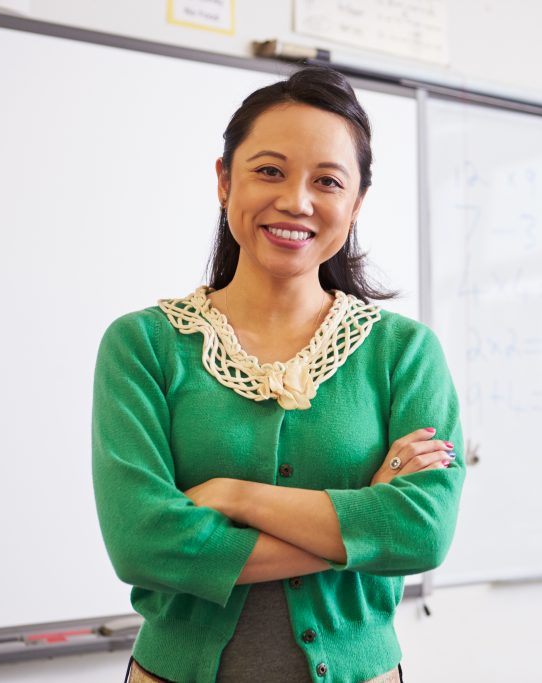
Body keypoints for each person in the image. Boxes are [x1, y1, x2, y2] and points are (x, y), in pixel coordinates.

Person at [91, 66, 465, 683]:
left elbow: (422, 534)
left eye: (327, 181)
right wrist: (363, 520)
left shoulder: (405, 352)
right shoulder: (144, 345)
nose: (296, 200)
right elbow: (143, 543)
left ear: (355, 203)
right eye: (269, 170)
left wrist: (236, 497)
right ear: (223, 179)